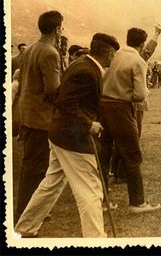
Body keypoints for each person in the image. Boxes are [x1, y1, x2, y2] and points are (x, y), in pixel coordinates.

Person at [15, 33, 119, 238]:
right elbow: (65, 103)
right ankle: (96, 240)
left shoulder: (82, 63)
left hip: (60, 134)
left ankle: (25, 227)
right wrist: (89, 123)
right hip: (73, 139)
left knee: (51, 184)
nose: (114, 58)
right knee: (90, 190)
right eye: (114, 54)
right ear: (108, 54)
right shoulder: (87, 71)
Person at [99, 27, 161, 213]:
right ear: (142, 44)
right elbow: (140, 94)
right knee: (132, 154)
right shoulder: (138, 61)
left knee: (104, 153)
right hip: (121, 108)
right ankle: (137, 202)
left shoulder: (114, 55)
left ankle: (102, 200)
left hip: (103, 106)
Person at [15, 11, 63, 223]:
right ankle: (26, 213)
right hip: (41, 119)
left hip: (28, 116)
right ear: (58, 29)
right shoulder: (50, 53)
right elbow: (53, 89)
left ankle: (28, 210)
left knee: (31, 166)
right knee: (36, 168)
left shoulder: (31, 49)